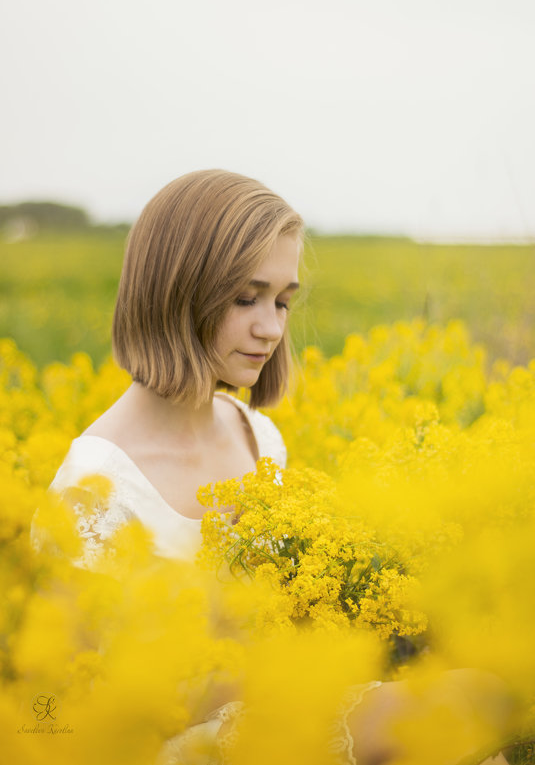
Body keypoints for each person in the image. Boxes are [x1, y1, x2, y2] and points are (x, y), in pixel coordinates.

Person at [30, 170, 511, 765]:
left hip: (291, 714)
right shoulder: (93, 487)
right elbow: (54, 717)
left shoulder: (259, 438)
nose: (271, 328)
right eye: (245, 298)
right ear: (176, 288)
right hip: (197, 748)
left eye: (283, 302)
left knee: (477, 703)